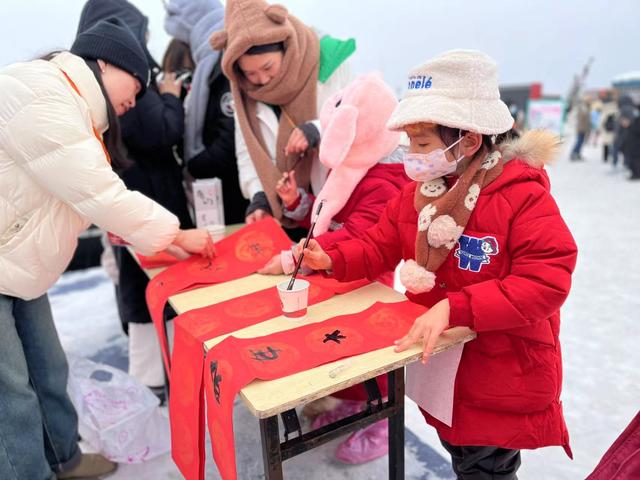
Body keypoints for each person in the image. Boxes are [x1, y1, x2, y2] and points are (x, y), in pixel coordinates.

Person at [296, 50, 578, 479]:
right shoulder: (421, 193)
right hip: (446, 367)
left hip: (499, 371)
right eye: (409, 141)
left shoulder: (521, 195)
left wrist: (457, 307)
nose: (411, 153)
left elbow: (545, 280)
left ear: (467, 140)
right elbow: (377, 244)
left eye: (422, 142)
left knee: (486, 467)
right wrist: (331, 255)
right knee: (461, 452)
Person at [0, 18, 214, 479]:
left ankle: (64, 458)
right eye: (134, 84)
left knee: (47, 368)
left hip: (15, 261)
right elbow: (100, 192)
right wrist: (177, 235)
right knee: (10, 390)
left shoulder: (75, 111)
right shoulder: (43, 93)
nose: (134, 100)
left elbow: (76, 197)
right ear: (105, 63)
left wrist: (138, 234)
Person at [258, 73, 409, 463]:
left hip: (365, 282)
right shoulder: (354, 169)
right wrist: (297, 204)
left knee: (367, 355)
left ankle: (381, 422)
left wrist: (295, 256)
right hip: (335, 273)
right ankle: (357, 402)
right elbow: (328, 218)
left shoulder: (385, 181)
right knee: (341, 351)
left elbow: (356, 234)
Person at [76, 0, 198, 393]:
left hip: (126, 203)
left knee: (138, 288)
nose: (143, 41)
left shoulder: (90, 88)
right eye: (140, 33)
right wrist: (169, 96)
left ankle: (151, 381)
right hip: (148, 201)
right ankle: (158, 382)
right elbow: (163, 132)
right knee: (157, 288)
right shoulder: (133, 81)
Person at [209, 0, 355, 236]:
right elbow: (248, 151)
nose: (263, 80)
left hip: (342, 204)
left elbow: (361, 117)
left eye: (268, 67)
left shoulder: (330, 61)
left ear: (286, 48)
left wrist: (318, 129)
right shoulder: (243, 90)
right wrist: (259, 195)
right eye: (251, 73)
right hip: (290, 213)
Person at [164, 0, 249, 225]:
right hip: (225, 189)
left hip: (236, 193)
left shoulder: (223, 65)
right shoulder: (210, 65)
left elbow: (230, 136)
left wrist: (195, 165)